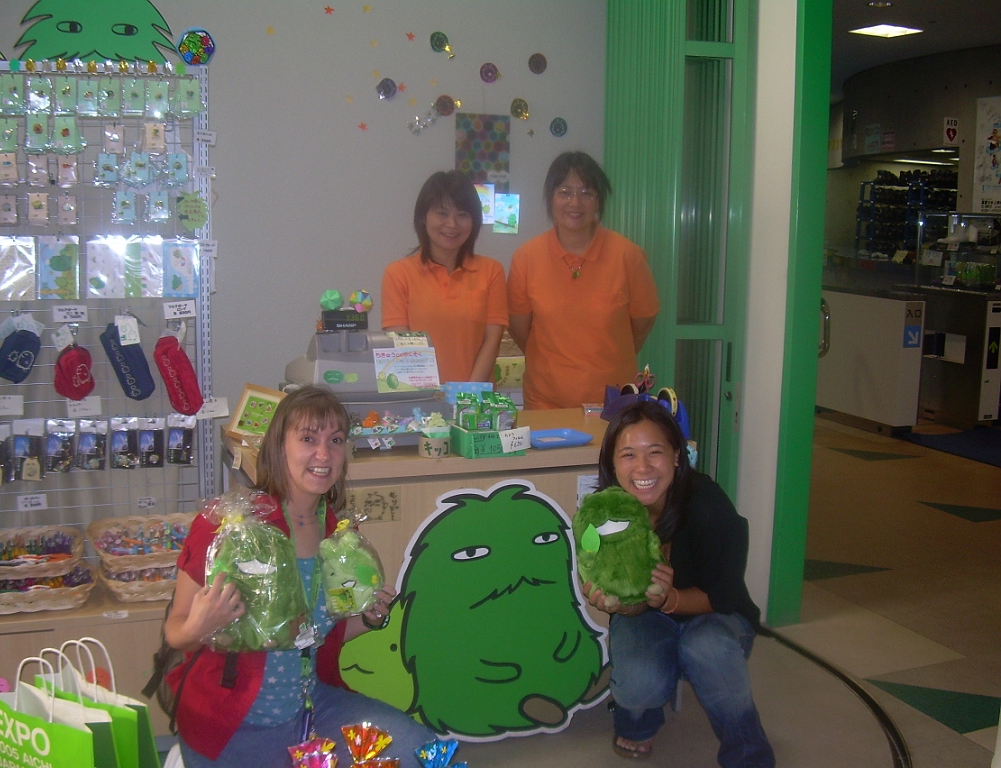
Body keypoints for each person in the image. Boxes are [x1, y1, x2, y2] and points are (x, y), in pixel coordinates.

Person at [164, 386, 436, 768]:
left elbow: (317, 633)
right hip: (230, 723)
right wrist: (200, 624)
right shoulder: (231, 530)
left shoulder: (339, 537)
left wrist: (369, 619)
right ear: (280, 447)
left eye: (336, 440)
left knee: (419, 751)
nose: (323, 454)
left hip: (312, 709)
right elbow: (175, 632)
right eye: (308, 438)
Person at [582, 400, 775, 766]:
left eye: (655, 452)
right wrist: (619, 603)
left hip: (715, 613)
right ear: (611, 463)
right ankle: (638, 720)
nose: (642, 467)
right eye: (628, 455)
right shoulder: (606, 511)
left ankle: (748, 753)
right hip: (648, 616)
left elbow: (725, 594)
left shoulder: (707, 503)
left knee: (706, 647)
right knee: (639, 681)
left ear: (676, 456)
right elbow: (609, 580)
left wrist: (669, 599)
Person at [507, 151, 659, 409]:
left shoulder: (628, 256)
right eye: (564, 192)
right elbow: (519, 328)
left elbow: (642, 323)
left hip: (613, 404)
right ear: (551, 198)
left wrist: (609, 356)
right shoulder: (526, 258)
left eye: (586, 192)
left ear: (599, 200)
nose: (574, 203)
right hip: (546, 402)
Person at [381, 170, 508, 383]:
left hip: (473, 403)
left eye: (462, 215)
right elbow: (402, 349)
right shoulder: (398, 274)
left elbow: (492, 342)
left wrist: (466, 396)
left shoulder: (491, 271)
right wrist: (432, 398)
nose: (452, 224)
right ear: (423, 217)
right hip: (420, 403)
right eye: (442, 213)